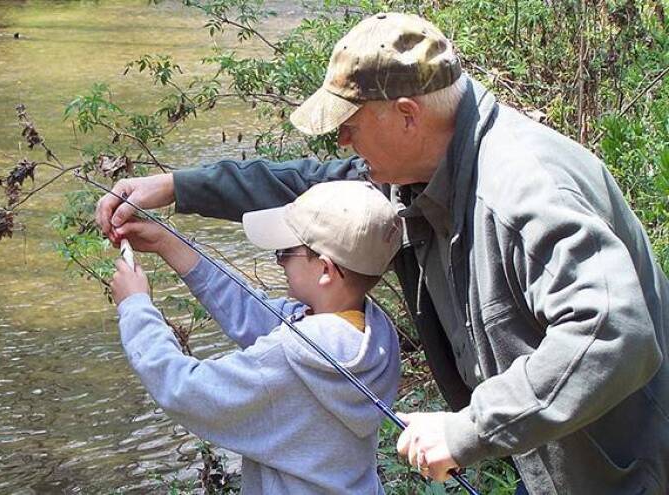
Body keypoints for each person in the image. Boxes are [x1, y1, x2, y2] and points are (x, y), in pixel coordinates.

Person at [97, 11, 669, 495]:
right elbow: (312, 192)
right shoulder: (419, 170)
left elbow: (614, 332)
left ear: (406, 114)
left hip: (622, 470)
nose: (341, 140)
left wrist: (467, 430)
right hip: (546, 456)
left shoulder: (522, 191)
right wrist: (178, 187)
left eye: (350, 124)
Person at [109, 181, 403, 494]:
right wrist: (168, 243)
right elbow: (252, 310)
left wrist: (135, 306)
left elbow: (184, 389)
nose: (279, 260)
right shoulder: (374, 333)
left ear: (326, 270)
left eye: (285, 252)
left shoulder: (289, 358)